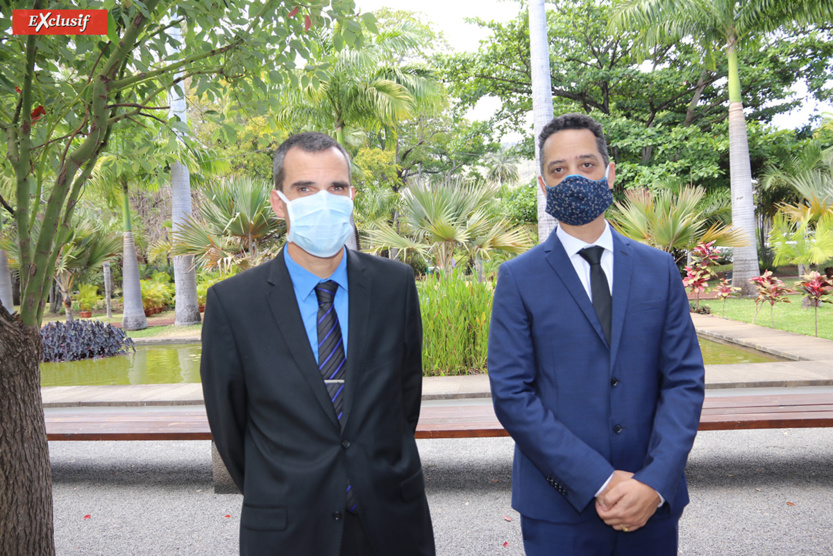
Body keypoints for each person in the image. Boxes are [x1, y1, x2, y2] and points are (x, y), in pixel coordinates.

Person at [200, 132, 435, 556]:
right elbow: (229, 427)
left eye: (336, 187)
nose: (323, 199)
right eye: (305, 188)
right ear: (279, 202)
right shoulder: (232, 303)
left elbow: (405, 401)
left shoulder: (394, 286)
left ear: (351, 196)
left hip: (392, 522)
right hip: (288, 529)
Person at [487, 113, 705, 555]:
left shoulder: (658, 269)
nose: (573, 178)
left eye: (586, 165)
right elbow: (512, 394)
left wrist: (654, 481)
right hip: (558, 509)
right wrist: (599, 480)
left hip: (652, 503)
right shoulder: (518, 278)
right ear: (543, 184)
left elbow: (684, 381)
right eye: (558, 170)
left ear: (609, 172)